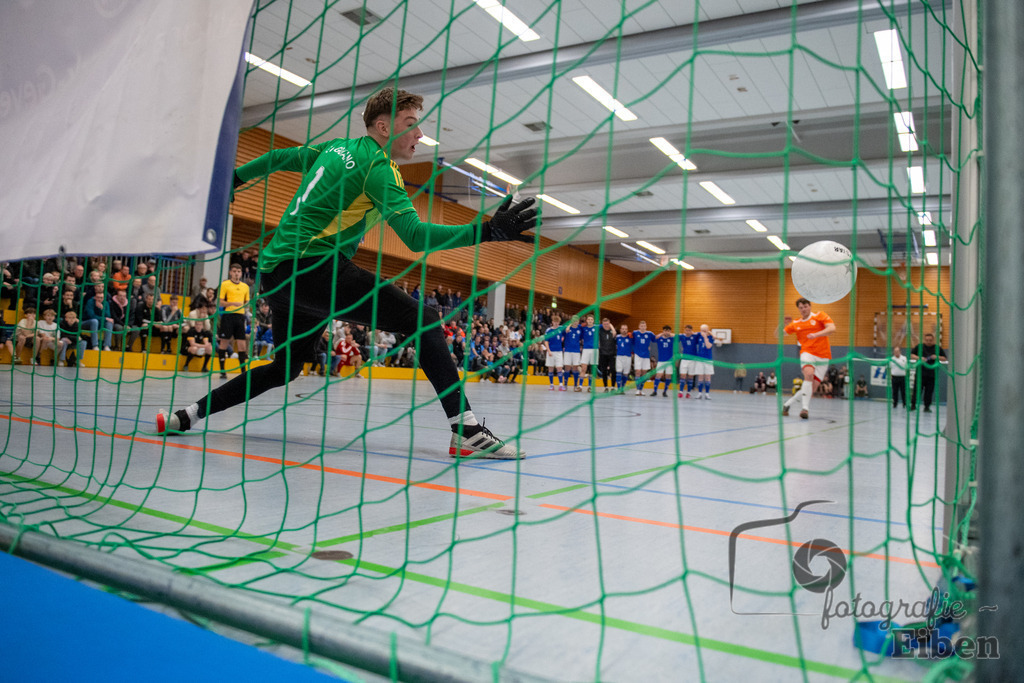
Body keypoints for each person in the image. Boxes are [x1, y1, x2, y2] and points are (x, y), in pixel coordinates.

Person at [157, 87, 537, 460]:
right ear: (384, 127)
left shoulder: (335, 148)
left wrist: (235, 180)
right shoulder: (379, 169)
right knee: (422, 320)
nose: (420, 134)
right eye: (410, 124)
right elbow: (416, 237)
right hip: (314, 268)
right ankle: (467, 431)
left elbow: (277, 157)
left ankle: (188, 415)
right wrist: (487, 231)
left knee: (284, 368)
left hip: (275, 274)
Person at [780, 297, 836, 419]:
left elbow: (832, 328)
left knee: (811, 389)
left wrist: (816, 334)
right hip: (807, 352)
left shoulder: (820, 316)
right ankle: (805, 409)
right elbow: (779, 334)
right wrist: (782, 324)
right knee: (809, 375)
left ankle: (787, 404)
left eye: (805, 306)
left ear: (810, 306)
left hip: (823, 356)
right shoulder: (796, 323)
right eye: (801, 308)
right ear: (799, 309)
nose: (803, 309)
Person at [215, 263, 250, 379]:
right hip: (228, 316)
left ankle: (243, 372)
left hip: (240, 317)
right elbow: (220, 302)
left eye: (238, 272)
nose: (236, 274)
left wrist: (246, 306)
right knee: (224, 343)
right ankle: (222, 370)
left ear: (241, 273)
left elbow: (247, 302)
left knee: (242, 345)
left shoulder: (245, 287)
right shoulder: (225, 284)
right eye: (234, 271)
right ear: (230, 272)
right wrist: (232, 303)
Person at [909, 333, 947, 412]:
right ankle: (913, 405)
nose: (928, 342)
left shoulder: (937, 348)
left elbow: (944, 358)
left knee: (929, 392)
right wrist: (919, 358)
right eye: (927, 340)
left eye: (930, 340)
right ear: (924, 340)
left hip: (931, 375)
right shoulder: (919, 347)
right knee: (917, 390)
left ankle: (927, 407)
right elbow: (912, 355)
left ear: (933, 340)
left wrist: (937, 357)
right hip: (920, 374)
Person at [631, 321, 656, 396]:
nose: (643, 327)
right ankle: (637, 389)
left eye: (644, 326)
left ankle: (641, 390)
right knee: (638, 372)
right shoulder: (635, 333)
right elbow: (631, 341)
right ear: (639, 327)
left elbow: (655, 339)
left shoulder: (650, 334)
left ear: (646, 327)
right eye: (641, 326)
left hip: (646, 356)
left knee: (644, 373)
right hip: (638, 355)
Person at [543, 313, 566, 392]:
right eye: (555, 321)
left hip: (559, 351)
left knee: (559, 368)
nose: (556, 323)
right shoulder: (549, 330)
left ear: (559, 322)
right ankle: (551, 385)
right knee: (550, 368)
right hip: (551, 351)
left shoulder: (561, 329)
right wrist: (548, 350)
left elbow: (566, 331)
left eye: (557, 322)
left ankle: (561, 385)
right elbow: (546, 341)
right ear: (552, 322)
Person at [651, 325, 675, 397]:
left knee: (668, 376)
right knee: (658, 375)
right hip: (661, 361)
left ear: (670, 331)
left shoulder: (672, 339)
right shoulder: (660, 338)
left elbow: (678, 337)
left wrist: (670, 334)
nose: (666, 332)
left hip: (669, 361)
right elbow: (653, 339)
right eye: (665, 330)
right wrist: (661, 334)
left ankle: (665, 391)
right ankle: (655, 391)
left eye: (668, 331)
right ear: (663, 331)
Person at [677, 324, 699, 398]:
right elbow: (673, 335)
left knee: (690, 377)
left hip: (693, 360)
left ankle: (688, 392)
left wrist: (694, 333)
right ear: (684, 330)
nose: (688, 332)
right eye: (686, 330)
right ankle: (680, 392)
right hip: (684, 360)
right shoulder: (682, 336)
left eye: (689, 330)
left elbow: (702, 333)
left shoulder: (695, 336)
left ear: (691, 331)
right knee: (682, 376)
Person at [694, 324, 715, 399]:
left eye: (705, 330)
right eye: (702, 330)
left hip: (708, 360)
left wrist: (706, 337)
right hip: (700, 359)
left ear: (708, 330)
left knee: (707, 377)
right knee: (700, 377)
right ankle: (699, 393)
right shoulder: (698, 336)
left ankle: (707, 394)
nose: (703, 332)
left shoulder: (710, 337)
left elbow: (708, 346)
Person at [563, 315, 583, 391]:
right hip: (568, 350)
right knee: (567, 367)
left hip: (576, 351)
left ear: (578, 321)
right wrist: (569, 326)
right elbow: (564, 331)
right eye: (574, 321)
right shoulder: (567, 328)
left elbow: (581, 338)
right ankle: (565, 385)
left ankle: (575, 385)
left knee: (575, 368)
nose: (575, 322)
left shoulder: (580, 329)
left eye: (576, 321)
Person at [579, 313, 598, 392]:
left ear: (593, 321)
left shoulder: (597, 327)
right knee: (583, 368)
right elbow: (575, 325)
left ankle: (590, 387)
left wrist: (613, 330)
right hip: (586, 350)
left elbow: (607, 324)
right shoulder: (583, 328)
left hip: (595, 350)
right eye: (589, 319)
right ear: (586, 320)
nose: (590, 321)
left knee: (592, 370)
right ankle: (580, 386)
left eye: (591, 319)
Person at [597, 317, 616, 392]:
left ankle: (613, 387)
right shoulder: (600, 330)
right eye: (604, 324)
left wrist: (612, 327)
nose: (606, 325)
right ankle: (605, 387)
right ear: (602, 324)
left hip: (612, 353)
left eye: (607, 324)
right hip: (603, 353)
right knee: (604, 371)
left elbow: (615, 335)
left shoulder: (613, 331)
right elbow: (595, 325)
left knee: (613, 370)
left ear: (609, 324)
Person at [614, 324, 633, 391]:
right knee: (618, 372)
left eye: (625, 329)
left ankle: (622, 388)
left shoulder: (630, 337)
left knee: (625, 373)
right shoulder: (617, 337)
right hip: (619, 357)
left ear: (627, 330)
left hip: (628, 357)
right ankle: (619, 388)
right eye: (623, 329)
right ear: (620, 330)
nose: (624, 330)